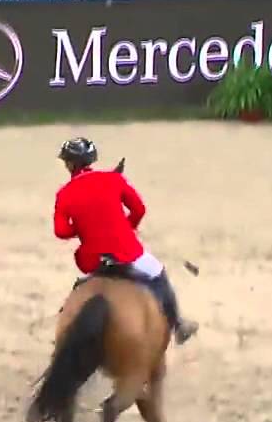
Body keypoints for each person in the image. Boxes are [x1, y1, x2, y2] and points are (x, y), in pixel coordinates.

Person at [52, 137, 198, 345]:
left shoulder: (64, 193)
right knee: (158, 273)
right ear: (92, 159)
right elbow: (139, 209)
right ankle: (178, 325)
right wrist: (127, 227)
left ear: (68, 164)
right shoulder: (113, 180)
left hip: (93, 259)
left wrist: (83, 226)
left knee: (80, 290)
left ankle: (66, 337)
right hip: (127, 251)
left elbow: (61, 231)